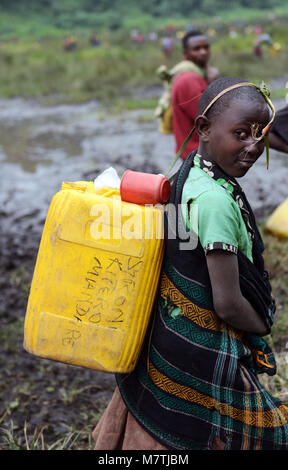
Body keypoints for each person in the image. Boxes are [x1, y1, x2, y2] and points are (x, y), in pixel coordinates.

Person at [92, 77, 288, 450]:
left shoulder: (188, 174)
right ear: (203, 128)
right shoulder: (214, 201)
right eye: (240, 133)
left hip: (171, 336)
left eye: (259, 135)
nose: (253, 146)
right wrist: (261, 325)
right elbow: (227, 303)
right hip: (204, 347)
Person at [155, 30, 219, 158]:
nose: (203, 52)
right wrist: (214, 85)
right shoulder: (188, 80)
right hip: (197, 153)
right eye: (197, 49)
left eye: (206, 47)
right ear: (186, 53)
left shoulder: (201, 73)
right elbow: (209, 117)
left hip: (200, 151)